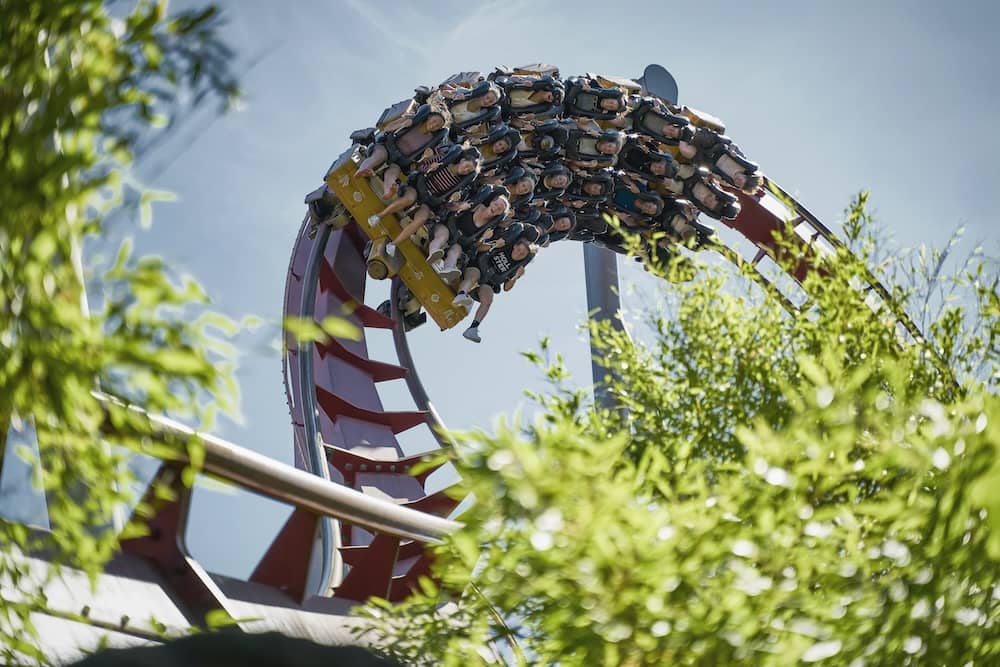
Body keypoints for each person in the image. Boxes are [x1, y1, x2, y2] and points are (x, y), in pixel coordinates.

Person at [372, 146, 482, 256]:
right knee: (409, 198)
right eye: (466, 166)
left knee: (422, 218)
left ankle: (393, 244)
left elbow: (447, 205)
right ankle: (379, 216)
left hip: (429, 201)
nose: (465, 170)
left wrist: (456, 204)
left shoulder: (459, 185)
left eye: (469, 171)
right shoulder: (442, 159)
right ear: (462, 160)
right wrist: (429, 167)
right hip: (417, 188)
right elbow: (418, 167)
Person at [451, 224, 537, 343]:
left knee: (488, 299)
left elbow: (507, 288)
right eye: (518, 250)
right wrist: (495, 244)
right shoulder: (504, 245)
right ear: (514, 246)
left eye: (522, 254)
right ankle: (461, 295)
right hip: (477, 268)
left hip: (488, 282)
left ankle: (473, 328)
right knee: (473, 277)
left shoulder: (517, 267)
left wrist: (516, 277)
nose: (518, 254)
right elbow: (479, 247)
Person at [428, 185, 510, 280]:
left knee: (456, 252)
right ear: (491, 202)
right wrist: (460, 206)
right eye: (496, 205)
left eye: (499, 209)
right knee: (442, 237)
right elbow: (449, 207)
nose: (496, 208)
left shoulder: (489, 228)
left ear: (500, 214)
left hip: (458, 242)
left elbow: (474, 247)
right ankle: (433, 253)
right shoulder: (476, 205)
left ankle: (448, 270)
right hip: (447, 228)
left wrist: (483, 239)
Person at [354, 104, 451, 179]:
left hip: (399, 161)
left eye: (438, 126)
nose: (434, 125)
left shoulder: (431, 141)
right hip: (387, 147)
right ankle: (363, 170)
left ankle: (390, 188)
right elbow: (387, 129)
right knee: (378, 156)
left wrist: (426, 157)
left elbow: (420, 162)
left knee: (393, 174)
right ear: (429, 117)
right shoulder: (411, 119)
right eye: (434, 121)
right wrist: (402, 125)